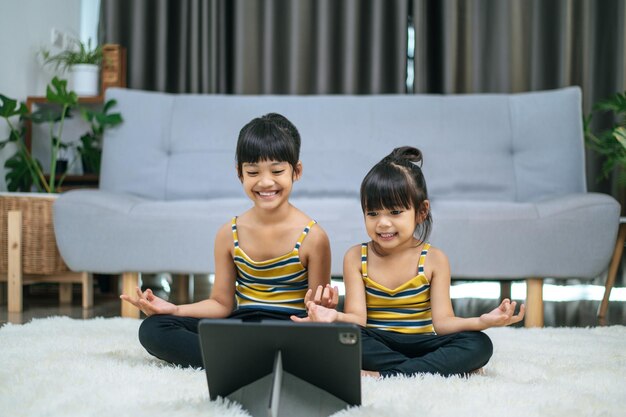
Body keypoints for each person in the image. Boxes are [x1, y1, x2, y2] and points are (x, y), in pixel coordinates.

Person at [121, 113, 336, 368]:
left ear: (296, 171)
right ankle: (258, 362)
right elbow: (221, 305)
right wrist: (175, 310)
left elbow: (316, 313)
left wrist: (322, 314)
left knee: (321, 343)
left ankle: (238, 361)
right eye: (253, 171)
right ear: (239, 174)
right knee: (153, 328)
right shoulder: (228, 233)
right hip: (241, 327)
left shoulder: (314, 238)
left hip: (289, 330)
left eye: (277, 171)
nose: (265, 182)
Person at [293, 146, 525, 377]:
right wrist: (334, 317)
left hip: (423, 343)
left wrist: (482, 320)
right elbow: (357, 320)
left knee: (479, 343)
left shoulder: (434, 259)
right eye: (372, 213)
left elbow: (443, 324)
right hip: (376, 342)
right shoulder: (356, 257)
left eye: (395, 212)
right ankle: (431, 368)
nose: (382, 223)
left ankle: (384, 374)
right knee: (343, 335)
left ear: (421, 211)